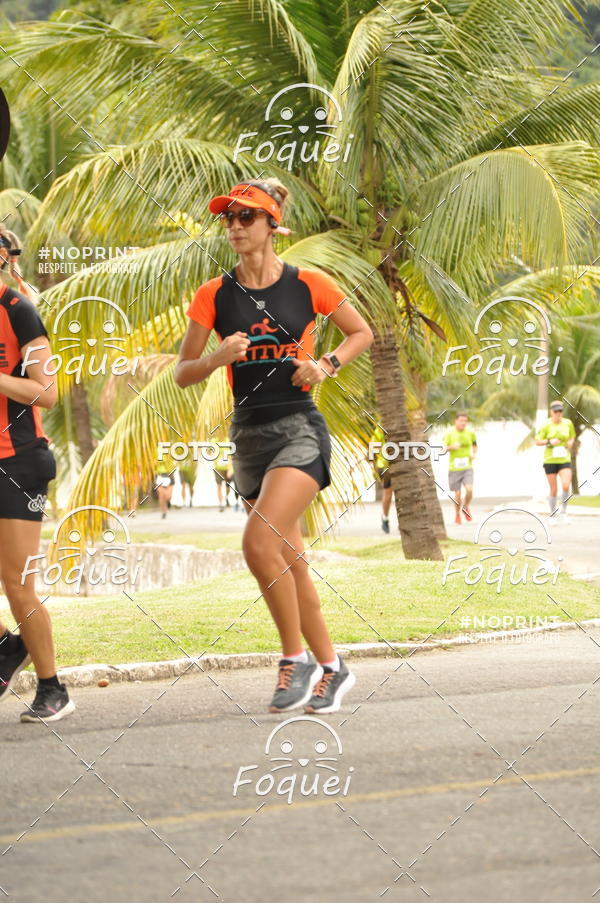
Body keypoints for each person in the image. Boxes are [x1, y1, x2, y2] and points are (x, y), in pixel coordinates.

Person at [176, 178, 373, 714]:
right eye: (229, 219)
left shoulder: (307, 283)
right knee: (291, 561)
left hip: (298, 430)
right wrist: (217, 358)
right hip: (248, 438)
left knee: (258, 547)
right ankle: (333, 668)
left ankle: (295, 659)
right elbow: (182, 373)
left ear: (271, 226)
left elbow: (361, 333)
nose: (235, 228)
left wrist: (325, 364)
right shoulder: (213, 295)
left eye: (246, 218)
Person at [0, 228, 75, 722]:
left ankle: (52, 688)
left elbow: (47, 392)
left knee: (16, 583)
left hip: (19, 459)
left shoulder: (18, 310)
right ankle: (9, 647)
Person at [535, 400, 576, 524]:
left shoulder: (568, 423)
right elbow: (537, 441)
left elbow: (572, 436)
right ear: (551, 412)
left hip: (564, 459)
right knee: (554, 488)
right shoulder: (546, 425)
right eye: (556, 411)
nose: (558, 413)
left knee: (566, 485)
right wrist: (549, 442)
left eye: (560, 411)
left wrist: (570, 442)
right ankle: (552, 515)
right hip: (550, 460)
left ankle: (563, 512)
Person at [443, 412, 477, 525]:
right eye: (461, 421)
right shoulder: (449, 433)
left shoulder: (470, 433)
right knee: (457, 494)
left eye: (465, 421)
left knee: (469, 490)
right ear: (456, 421)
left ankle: (466, 507)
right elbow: (442, 449)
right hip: (454, 468)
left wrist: (473, 453)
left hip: (467, 467)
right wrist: (452, 447)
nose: (463, 423)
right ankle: (457, 514)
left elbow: (475, 445)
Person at [370, 424, 392, 533]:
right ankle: (385, 518)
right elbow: (373, 449)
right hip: (383, 465)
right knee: (388, 493)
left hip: (399, 464)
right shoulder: (379, 430)